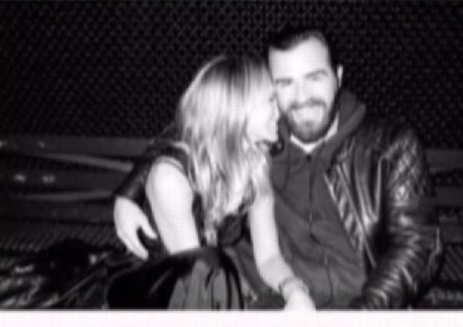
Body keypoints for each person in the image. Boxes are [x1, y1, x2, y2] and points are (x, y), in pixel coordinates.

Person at [113, 26, 443, 309]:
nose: (301, 97)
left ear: (338, 77)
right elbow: (200, 128)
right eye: (284, 84)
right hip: (258, 298)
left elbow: (418, 245)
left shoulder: (389, 145)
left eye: (314, 78)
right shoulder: (265, 139)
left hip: (361, 303)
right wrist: (128, 193)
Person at [109, 54, 315, 310]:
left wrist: (295, 290)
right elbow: (198, 278)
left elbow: (269, 257)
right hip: (151, 288)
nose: (279, 111)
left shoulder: (255, 161)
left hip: (205, 284)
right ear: (237, 109)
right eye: (270, 101)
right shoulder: (171, 178)